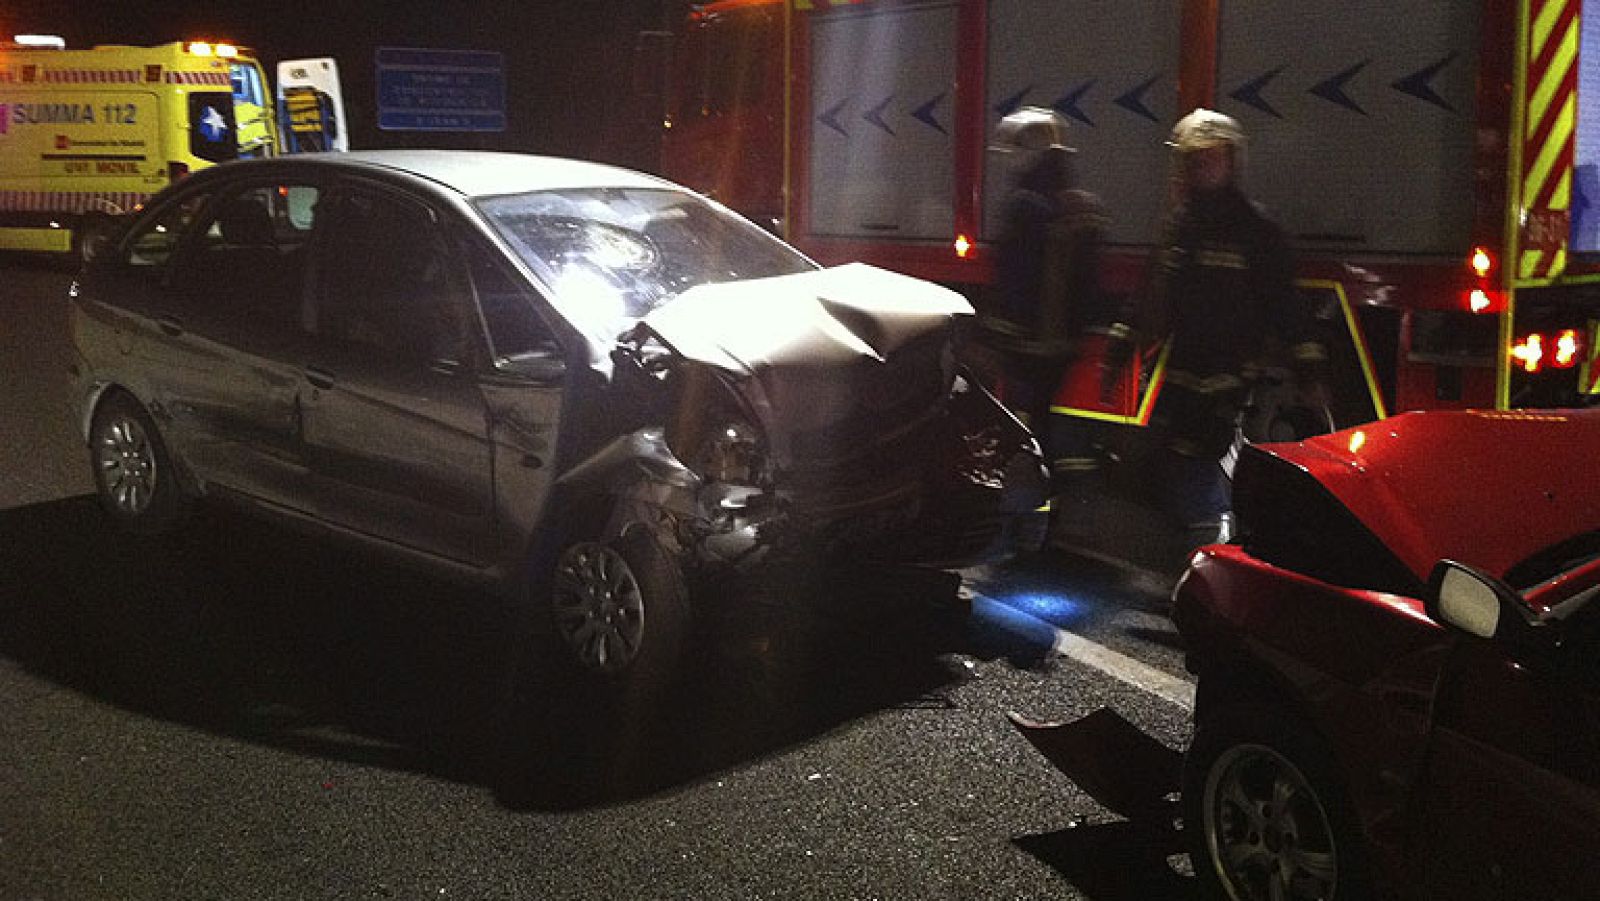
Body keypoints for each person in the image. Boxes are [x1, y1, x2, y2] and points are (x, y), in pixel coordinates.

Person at [1116, 108, 1326, 544]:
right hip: (1180, 375)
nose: (1204, 167)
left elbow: (1287, 305)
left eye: (1213, 158)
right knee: (1172, 468)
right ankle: (1209, 554)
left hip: (1230, 376)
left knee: (1198, 467)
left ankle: (1213, 560)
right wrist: (1120, 348)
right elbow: (1151, 293)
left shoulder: (1256, 231)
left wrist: (1309, 373)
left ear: (1232, 162)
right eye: (1196, 159)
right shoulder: (1179, 228)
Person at [978, 106, 1109, 480]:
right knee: (1055, 428)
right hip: (1063, 347)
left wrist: (992, 339)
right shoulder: (1082, 207)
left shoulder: (1024, 206)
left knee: (1020, 428)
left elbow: (1013, 281)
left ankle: (1024, 508)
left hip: (1025, 346)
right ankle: (1060, 503)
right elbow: (1090, 284)